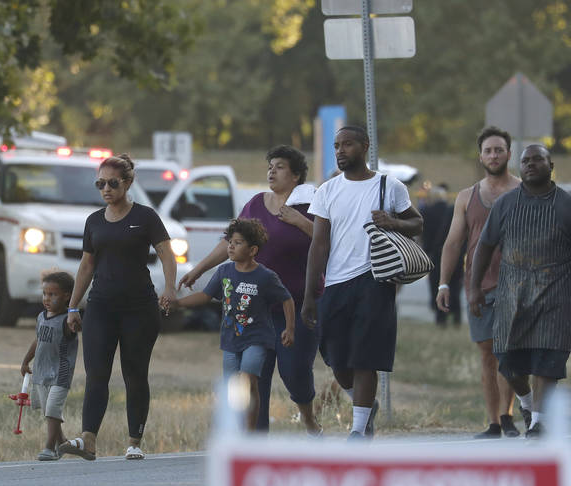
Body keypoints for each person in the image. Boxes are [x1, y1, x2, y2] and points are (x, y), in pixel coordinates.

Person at [178, 145, 322, 434]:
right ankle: (256, 441)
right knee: (254, 378)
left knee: (295, 373)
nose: (271, 170)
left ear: (296, 176)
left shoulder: (311, 205)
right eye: (270, 165)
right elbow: (231, 242)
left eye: (279, 166)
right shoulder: (256, 205)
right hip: (254, 311)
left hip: (297, 304)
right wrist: (199, 269)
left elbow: (329, 239)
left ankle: (307, 416)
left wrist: (301, 221)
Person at [468, 144, 571, 437]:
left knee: (548, 359)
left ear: (550, 165)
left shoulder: (567, 205)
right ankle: (528, 403)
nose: (530, 165)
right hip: (512, 295)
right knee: (507, 362)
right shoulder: (505, 205)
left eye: (537, 160)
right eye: (525, 161)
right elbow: (484, 248)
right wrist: (475, 289)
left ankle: (539, 423)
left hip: (555, 295)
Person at [301, 125, 423, 439]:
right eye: (337, 145)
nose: (341, 150)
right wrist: (310, 295)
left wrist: (394, 221)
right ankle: (364, 404)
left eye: (348, 144)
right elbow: (319, 243)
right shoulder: (327, 190)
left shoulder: (389, 186)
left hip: (375, 280)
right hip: (337, 283)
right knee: (337, 360)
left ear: (365, 146)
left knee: (365, 356)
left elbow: (417, 222)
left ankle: (358, 430)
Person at [63, 154, 177, 460]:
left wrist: (170, 287)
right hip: (101, 306)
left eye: (113, 183)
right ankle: (88, 440)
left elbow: (167, 253)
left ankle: (134, 441)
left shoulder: (146, 217)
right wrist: (73, 307)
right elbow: (86, 266)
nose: (106, 189)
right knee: (96, 374)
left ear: (128, 183)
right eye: (100, 183)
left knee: (134, 374)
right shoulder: (94, 221)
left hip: (139, 308)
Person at [437, 126, 523, 438]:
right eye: (488, 150)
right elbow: (452, 243)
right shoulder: (466, 197)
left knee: (508, 350)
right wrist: (444, 283)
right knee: (487, 353)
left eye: (499, 149)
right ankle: (494, 423)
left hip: (517, 282)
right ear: (481, 156)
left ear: (509, 154)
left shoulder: (524, 191)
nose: (493, 155)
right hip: (479, 284)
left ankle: (508, 413)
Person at [174, 218, 294, 430]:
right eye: (230, 241)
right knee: (233, 389)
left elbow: (287, 299)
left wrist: (290, 328)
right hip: (230, 340)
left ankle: (249, 434)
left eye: (238, 243)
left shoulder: (265, 276)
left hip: (256, 339)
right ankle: (236, 431)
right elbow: (204, 296)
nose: (230, 246)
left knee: (247, 382)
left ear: (253, 249)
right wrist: (177, 303)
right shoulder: (224, 272)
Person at [20, 270, 84, 461]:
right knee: (48, 412)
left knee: (52, 409)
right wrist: (25, 360)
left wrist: (76, 324)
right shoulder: (41, 317)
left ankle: (49, 448)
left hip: (60, 374)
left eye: (52, 294)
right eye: (45, 294)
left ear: (67, 296)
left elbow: (76, 329)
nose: (47, 299)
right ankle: (62, 443)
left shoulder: (68, 320)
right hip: (41, 372)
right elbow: (38, 340)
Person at [421, 183, 462, 326]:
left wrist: (427, 251)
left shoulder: (426, 211)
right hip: (455, 253)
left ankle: (440, 317)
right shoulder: (452, 210)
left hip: (434, 254)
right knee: (455, 285)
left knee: (437, 285)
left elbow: (424, 235)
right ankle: (457, 316)